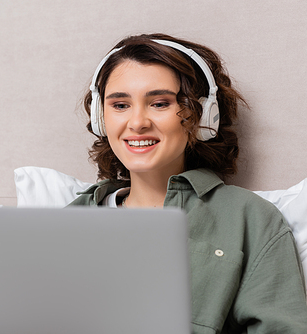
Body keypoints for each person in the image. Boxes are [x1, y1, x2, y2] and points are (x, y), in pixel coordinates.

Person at [68, 33, 307, 333]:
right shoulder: (71, 218)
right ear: (100, 118)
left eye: (159, 103)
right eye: (120, 105)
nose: (138, 122)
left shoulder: (249, 218)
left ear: (202, 116)